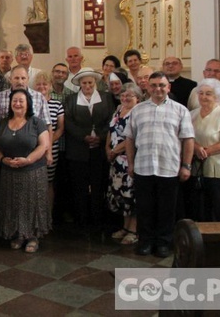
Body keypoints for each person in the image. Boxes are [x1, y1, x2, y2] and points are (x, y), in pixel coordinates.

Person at [125, 71, 194, 258]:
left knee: (167, 209)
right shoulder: (138, 110)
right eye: (154, 85)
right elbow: (129, 138)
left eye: (162, 85)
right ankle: (145, 241)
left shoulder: (180, 110)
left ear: (168, 87)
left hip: (169, 167)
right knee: (145, 208)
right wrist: (130, 163)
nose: (158, 89)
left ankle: (164, 242)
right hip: (143, 166)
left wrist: (186, 165)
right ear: (147, 87)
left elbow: (188, 140)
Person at [0, 88, 51, 253]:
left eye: (21, 101)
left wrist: (28, 160)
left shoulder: (36, 122)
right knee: (14, 203)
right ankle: (17, 234)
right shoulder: (3, 122)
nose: (17, 104)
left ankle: (32, 237)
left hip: (33, 171)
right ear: (10, 104)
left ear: (28, 104)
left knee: (31, 204)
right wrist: (3, 159)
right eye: (14, 101)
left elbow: (44, 145)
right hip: (9, 172)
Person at [64, 67, 116, 228]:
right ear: (80, 84)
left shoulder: (106, 98)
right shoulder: (71, 99)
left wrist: (100, 137)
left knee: (98, 185)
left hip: (99, 149)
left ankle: (98, 218)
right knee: (79, 186)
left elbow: (112, 119)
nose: (87, 86)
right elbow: (68, 121)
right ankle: (81, 219)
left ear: (95, 83)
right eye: (84, 83)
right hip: (78, 149)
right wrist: (84, 137)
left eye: (90, 83)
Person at [190, 78, 220, 221]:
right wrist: (197, 148)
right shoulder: (192, 114)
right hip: (198, 168)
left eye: (208, 94)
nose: (204, 97)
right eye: (201, 93)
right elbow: (187, 137)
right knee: (201, 207)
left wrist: (206, 151)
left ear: (216, 96)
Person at [106, 83, 142, 246]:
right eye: (123, 95)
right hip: (116, 161)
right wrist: (108, 148)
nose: (126, 98)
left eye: (130, 96)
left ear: (138, 98)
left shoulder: (138, 112)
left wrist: (115, 151)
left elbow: (132, 137)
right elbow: (111, 130)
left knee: (131, 195)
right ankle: (125, 227)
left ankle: (134, 230)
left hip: (129, 159)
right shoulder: (119, 109)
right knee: (120, 195)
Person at [33, 71, 65, 208]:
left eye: (44, 84)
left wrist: (46, 145)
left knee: (48, 181)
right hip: (32, 148)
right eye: (38, 84)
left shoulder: (57, 104)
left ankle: (48, 215)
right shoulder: (31, 104)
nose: (42, 87)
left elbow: (60, 129)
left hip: (51, 148)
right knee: (33, 182)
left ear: (50, 85)